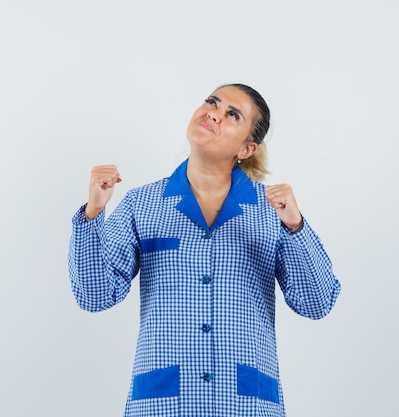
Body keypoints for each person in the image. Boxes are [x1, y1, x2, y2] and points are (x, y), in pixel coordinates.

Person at [68, 83, 341, 417]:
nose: (214, 112)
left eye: (232, 114)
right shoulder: (141, 204)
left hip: (247, 405)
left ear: (246, 148)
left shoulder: (273, 211)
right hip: (163, 405)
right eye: (212, 102)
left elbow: (316, 303)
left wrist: (296, 226)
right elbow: (95, 296)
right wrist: (94, 214)